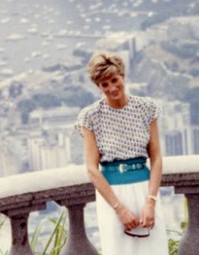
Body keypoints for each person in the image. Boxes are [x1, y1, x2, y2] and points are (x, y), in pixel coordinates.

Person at [75, 51, 167, 254]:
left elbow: (156, 157)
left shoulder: (146, 108)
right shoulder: (90, 117)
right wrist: (119, 209)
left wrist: (151, 201)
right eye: (104, 84)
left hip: (146, 191)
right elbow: (92, 169)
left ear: (123, 76)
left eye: (114, 80)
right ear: (98, 87)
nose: (112, 88)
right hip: (113, 196)